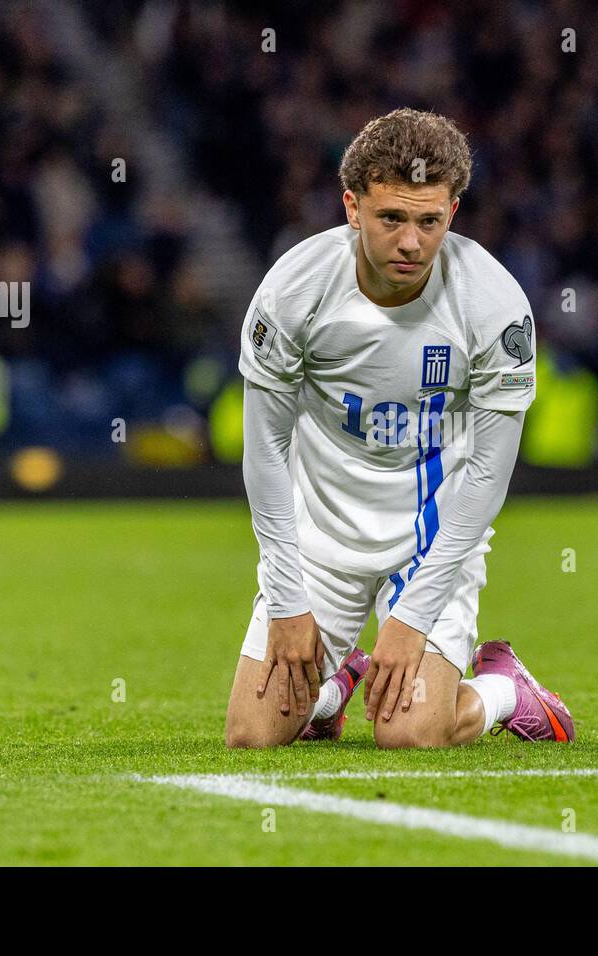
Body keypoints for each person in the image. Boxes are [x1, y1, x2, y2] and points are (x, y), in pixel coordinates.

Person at [224, 108, 574, 749]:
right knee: (252, 737)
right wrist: (286, 598)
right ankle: (331, 693)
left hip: (429, 542)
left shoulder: (494, 306)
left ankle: (504, 691)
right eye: (391, 218)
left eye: (429, 221)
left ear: (453, 214)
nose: (411, 243)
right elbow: (266, 450)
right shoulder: (294, 289)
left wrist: (412, 617)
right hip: (321, 538)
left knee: (410, 735)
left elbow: (490, 473)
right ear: (352, 207)